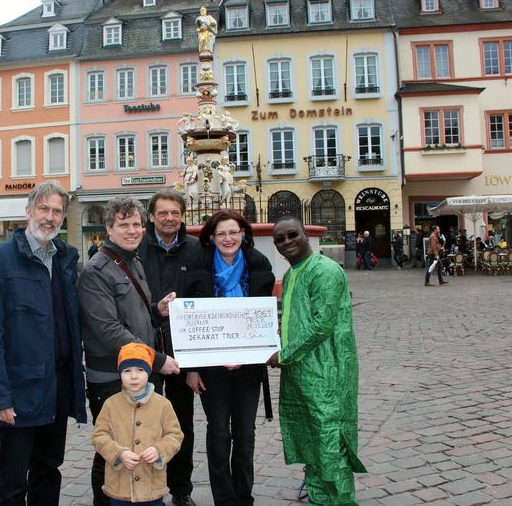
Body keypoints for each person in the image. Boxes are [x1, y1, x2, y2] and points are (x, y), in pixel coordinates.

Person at [0, 181, 87, 506]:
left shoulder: (65, 260)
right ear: (29, 211)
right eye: (44, 209)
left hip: (57, 385)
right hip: (19, 391)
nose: (50, 217)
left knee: (49, 468)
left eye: (57, 211)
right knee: (13, 476)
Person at [77, 197, 181, 506]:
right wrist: (158, 359)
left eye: (136, 223)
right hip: (112, 376)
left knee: (143, 445)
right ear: (108, 228)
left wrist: (155, 309)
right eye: (123, 224)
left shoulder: (133, 260)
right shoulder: (96, 271)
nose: (132, 230)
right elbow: (109, 330)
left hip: (139, 372)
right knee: (112, 452)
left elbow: (130, 313)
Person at [267, 217, 366, 506]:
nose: (286, 242)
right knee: (310, 436)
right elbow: (296, 318)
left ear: (306, 234)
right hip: (301, 370)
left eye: (292, 235)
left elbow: (322, 325)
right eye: (279, 239)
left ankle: (340, 500)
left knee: (329, 436)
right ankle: (319, 494)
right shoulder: (292, 273)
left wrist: (283, 354)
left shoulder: (325, 270)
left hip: (328, 370)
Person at [184, 209, 275, 506]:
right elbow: (190, 325)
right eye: (221, 233)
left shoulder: (258, 265)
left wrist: (265, 350)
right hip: (212, 368)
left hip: (249, 368)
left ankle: (243, 496)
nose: (228, 238)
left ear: (243, 234)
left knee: (245, 434)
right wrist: (193, 368)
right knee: (220, 432)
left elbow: (267, 316)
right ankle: (224, 498)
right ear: (211, 237)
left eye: (233, 232)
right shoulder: (198, 267)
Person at [137, 189, 201, 506]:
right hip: (143, 347)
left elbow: (204, 296)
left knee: (179, 422)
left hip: (181, 349)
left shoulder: (194, 248)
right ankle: (146, 486)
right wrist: (153, 308)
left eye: (175, 212)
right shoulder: (136, 248)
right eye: (163, 213)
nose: (169, 218)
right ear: (151, 216)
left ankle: (181, 488)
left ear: (182, 215)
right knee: (142, 419)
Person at [92, 343, 184, 506]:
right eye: (127, 371)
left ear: (148, 372)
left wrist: (159, 450)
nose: (134, 376)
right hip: (119, 487)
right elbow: (99, 436)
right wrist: (118, 453)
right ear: (120, 373)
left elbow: (175, 435)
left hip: (151, 486)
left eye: (140, 370)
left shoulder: (163, 405)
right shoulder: (110, 404)